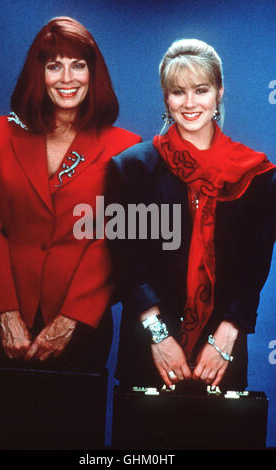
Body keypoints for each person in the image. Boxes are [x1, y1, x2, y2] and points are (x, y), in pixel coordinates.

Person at [107, 38, 276, 391]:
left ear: (218, 93)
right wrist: (158, 336)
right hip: (148, 352)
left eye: (200, 90)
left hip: (223, 354)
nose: (189, 103)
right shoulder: (132, 168)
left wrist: (228, 336)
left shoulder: (257, 175)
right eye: (177, 92)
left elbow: (253, 268)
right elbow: (127, 263)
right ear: (165, 98)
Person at [0, 16, 141, 372]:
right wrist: (5, 312)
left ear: (93, 73)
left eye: (78, 65)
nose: (67, 78)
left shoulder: (124, 147)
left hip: (81, 324)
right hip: (9, 321)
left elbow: (112, 237)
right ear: (39, 74)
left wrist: (71, 318)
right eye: (55, 66)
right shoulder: (0, 135)